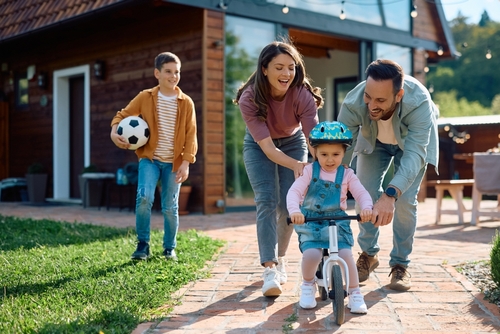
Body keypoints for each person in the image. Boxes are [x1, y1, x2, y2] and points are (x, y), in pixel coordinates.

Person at [338, 59, 439, 291]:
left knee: (404, 201)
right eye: (368, 97)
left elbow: (414, 155)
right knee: (364, 191)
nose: (371, 105)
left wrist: (390, 195)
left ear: (399, 95)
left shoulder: (419, 102)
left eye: (380, 100)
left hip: (411, 147)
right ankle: (368, 255)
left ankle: (400, 265)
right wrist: (331, 182)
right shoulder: (355, 102)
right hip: (375, 143)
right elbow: (342, 147)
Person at [234, 40, 323, 297]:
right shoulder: (250, 97)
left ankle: (280, 257)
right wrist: (298, 165)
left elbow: (312, 138)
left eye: (291, 68)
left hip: (294, 142)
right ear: (264, 69)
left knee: (288, 205)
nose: (286, 74)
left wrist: (320, 161)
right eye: (279, 67)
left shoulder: (302, 94)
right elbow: (269, 150)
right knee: (266, 201)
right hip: (259, 145)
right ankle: (270, 268)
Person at [110, 52, 197, 261]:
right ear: (157, 73)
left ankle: (169, 248)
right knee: (144, 197)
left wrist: (186, 162)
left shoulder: (186, 103)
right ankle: (143, 245)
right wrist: (115, 132)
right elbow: (122, 115)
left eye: (177, 72)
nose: (173, 76)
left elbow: (191, 134)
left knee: (170, 206)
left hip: (174, 163)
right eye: (168, 71)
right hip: (149, 160)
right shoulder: (145, 97)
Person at [287, 121, 373, 313]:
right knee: (312, 254)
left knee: (345, 255)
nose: (330, 159)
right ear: (315, 152)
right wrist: (295, 211)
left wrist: (367, 207)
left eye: (336, 154)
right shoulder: (309, 171)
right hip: (310, 221)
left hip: (337, 221)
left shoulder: (347, 174)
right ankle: (308, 284)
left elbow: (361, 193)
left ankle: (354, 292)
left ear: (344, 153)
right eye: (324, 154)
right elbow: (294, 192)